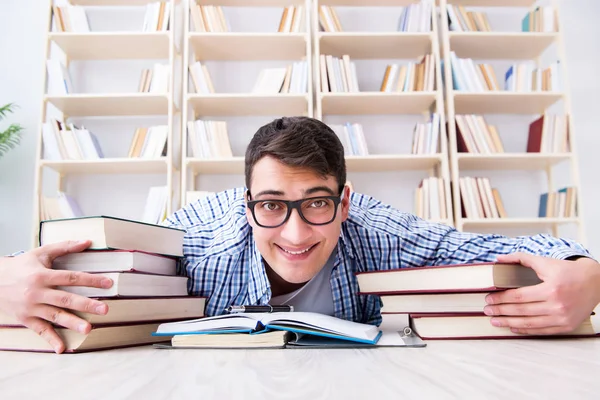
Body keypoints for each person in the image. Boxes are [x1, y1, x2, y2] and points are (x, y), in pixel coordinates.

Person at [1, 116, 599, 354]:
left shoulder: (380, 232)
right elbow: (70, 271)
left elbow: (496, 249)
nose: (293, 232)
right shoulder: (195, 238)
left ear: (344, 201)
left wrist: (588, 273)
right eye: (270, 206)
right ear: (246, 205)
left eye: (316, 204)